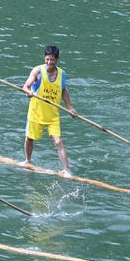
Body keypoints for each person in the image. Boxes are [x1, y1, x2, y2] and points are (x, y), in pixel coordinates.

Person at [23, 45, 75, 177]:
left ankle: (66, 170)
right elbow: (26, 85)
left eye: (52, 60)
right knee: (30, 138)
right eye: (47, 59)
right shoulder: (38, 71)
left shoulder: (62, 74)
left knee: (58, 142)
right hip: (36, 112)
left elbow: (63, 90)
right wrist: (28, 92)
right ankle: (28, 161)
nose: (49, 63)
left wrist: (69, 106)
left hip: (53, 115)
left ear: (57, 59)